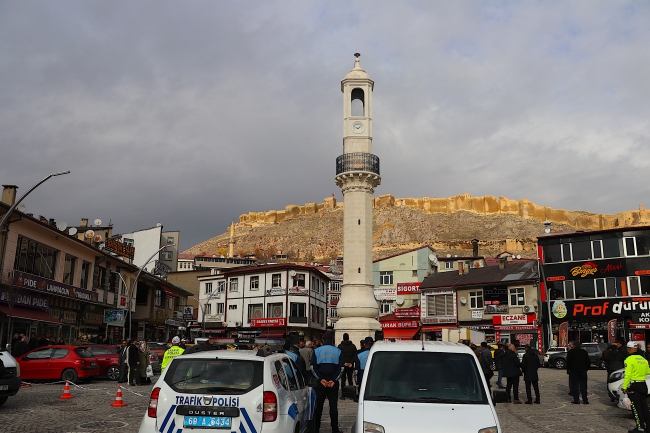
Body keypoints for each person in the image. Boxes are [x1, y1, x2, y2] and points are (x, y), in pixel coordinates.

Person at [311, 333, 344, 433]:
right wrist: (334, 380)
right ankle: (335, 429)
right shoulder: (338, 351)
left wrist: (321, 379)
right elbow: (341, 368)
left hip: (320, 383)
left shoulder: (316, 351)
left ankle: (316, 429)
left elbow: (313, 367)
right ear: (332, 340)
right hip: (333, 383)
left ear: (323, 340)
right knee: (333, 406)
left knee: (318, 407)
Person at [622, 341, 650, 433]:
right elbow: (648, 372)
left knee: (636, 408)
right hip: (643, 384)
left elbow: (628, 374)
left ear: (629, 349)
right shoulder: (643, 359)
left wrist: (624, 386)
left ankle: (640, 427)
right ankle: (648, 427)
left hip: (634, 385)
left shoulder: (629, 360)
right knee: (644, 407)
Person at [337, 333, 357, 399]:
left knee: (343, 380)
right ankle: (351, 394)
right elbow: (355, 356)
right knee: (350, 380)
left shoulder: (340, 346)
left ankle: (343, 395)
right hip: (350, 365)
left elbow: (338, 356)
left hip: (343, 365)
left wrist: (343, 363)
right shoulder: (353, 346)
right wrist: (351, 363)